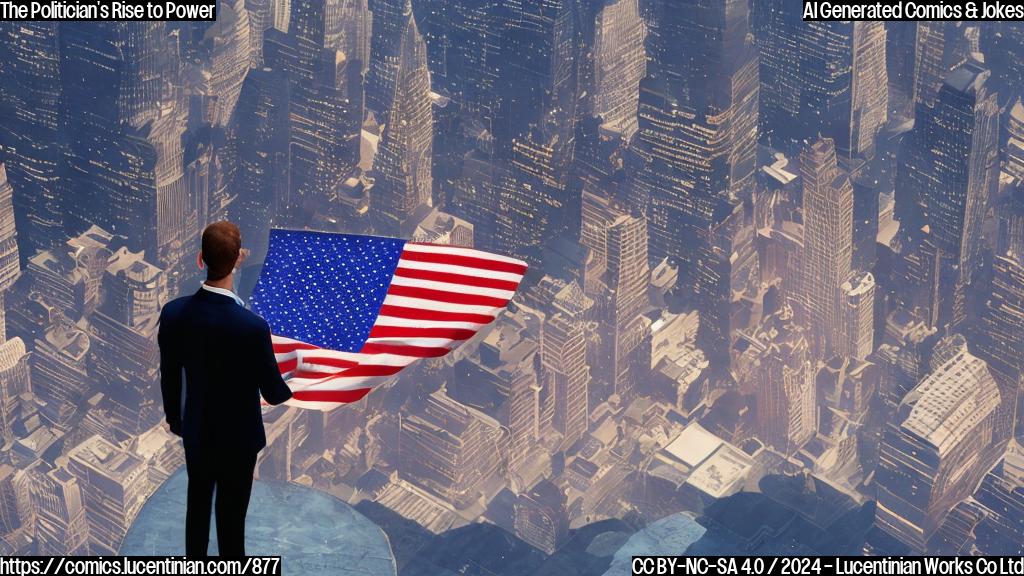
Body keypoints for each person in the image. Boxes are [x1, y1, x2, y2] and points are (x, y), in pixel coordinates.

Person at [158, 221, 293, 557]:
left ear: (199, 260)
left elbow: (170, 375)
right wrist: (297, 376)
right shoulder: (252, 327)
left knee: (197, 510)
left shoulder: (174, 314)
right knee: (232, 524)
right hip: (239, 441)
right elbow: (274, 392)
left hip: (198, 433)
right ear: (238, 261)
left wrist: (177, 420)